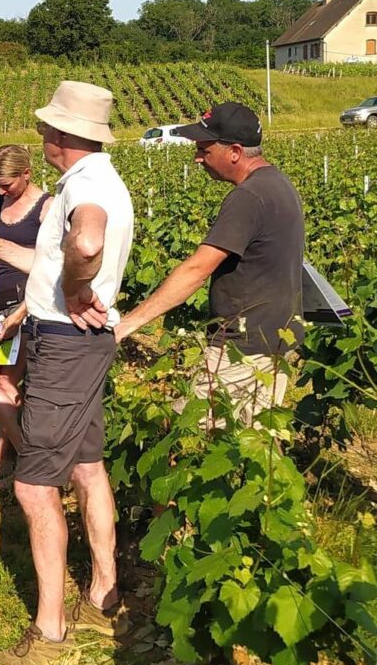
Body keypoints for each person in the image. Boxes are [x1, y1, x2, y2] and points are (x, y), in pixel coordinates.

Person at [0, 80, 134, 665]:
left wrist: (82, 286)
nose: (40, 135)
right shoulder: (101, 179)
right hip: (83, 344)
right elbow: (47, 262)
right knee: (87, 466)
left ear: (64, 136)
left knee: (34, 489)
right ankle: (104, 591)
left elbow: (85, 242)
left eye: (47, 128)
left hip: (62, 346)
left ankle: (51, 631)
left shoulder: (85, 188)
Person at [115, 102, 304, 424]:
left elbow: (196, 270)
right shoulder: (278, 183)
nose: (197, 157)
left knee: (193, 437)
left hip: (243, 349)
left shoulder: (248, 197)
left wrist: (126, 325)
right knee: (251, 440)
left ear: (234, 151)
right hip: (272, 338)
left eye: (204, 149)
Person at [0, 145, 50, 484]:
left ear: (26, 174)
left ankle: (3, 461)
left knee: (6, 382)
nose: (1, 191)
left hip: (30, 306)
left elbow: (49, 269)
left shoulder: (47, 208)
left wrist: (21, 314)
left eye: (7, 184)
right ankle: (26, 457)